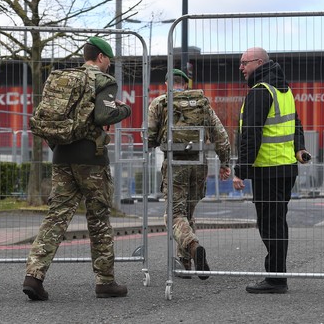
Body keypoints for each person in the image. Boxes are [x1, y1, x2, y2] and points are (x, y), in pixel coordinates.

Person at [23, 37, 131, 301]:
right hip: (91, 159)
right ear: (102, 58)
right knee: (98, 219)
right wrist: (124, 110)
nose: (109, 65)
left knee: (56, 217)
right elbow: (103, 116)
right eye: (109, 60)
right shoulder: (103, 81)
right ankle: (105, 281)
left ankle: (33, 276)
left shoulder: (64, 79)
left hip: (61, 156)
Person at [233, 47, 309, 294]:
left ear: (258, 63)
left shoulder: (261, 92)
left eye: (244, 63)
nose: (241, 68)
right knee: (276, 222)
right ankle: (276, 274)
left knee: (269, 225)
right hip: (286, 167)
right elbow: (296, 123)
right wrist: (300, 148)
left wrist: (240, 170)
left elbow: (251, 135)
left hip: (269, 169)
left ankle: (276, 278)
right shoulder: (283, 89)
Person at [147, 68, 231, 279]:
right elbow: (220, 134)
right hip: (199, 163)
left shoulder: (160, 102)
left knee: (174, 215)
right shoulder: (202, 103)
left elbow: (149, 136)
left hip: (175, 164)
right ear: (185, 84)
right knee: (189, 213)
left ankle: (193, 246)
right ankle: (185, 262)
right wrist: (225, 163)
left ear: (167, 84)